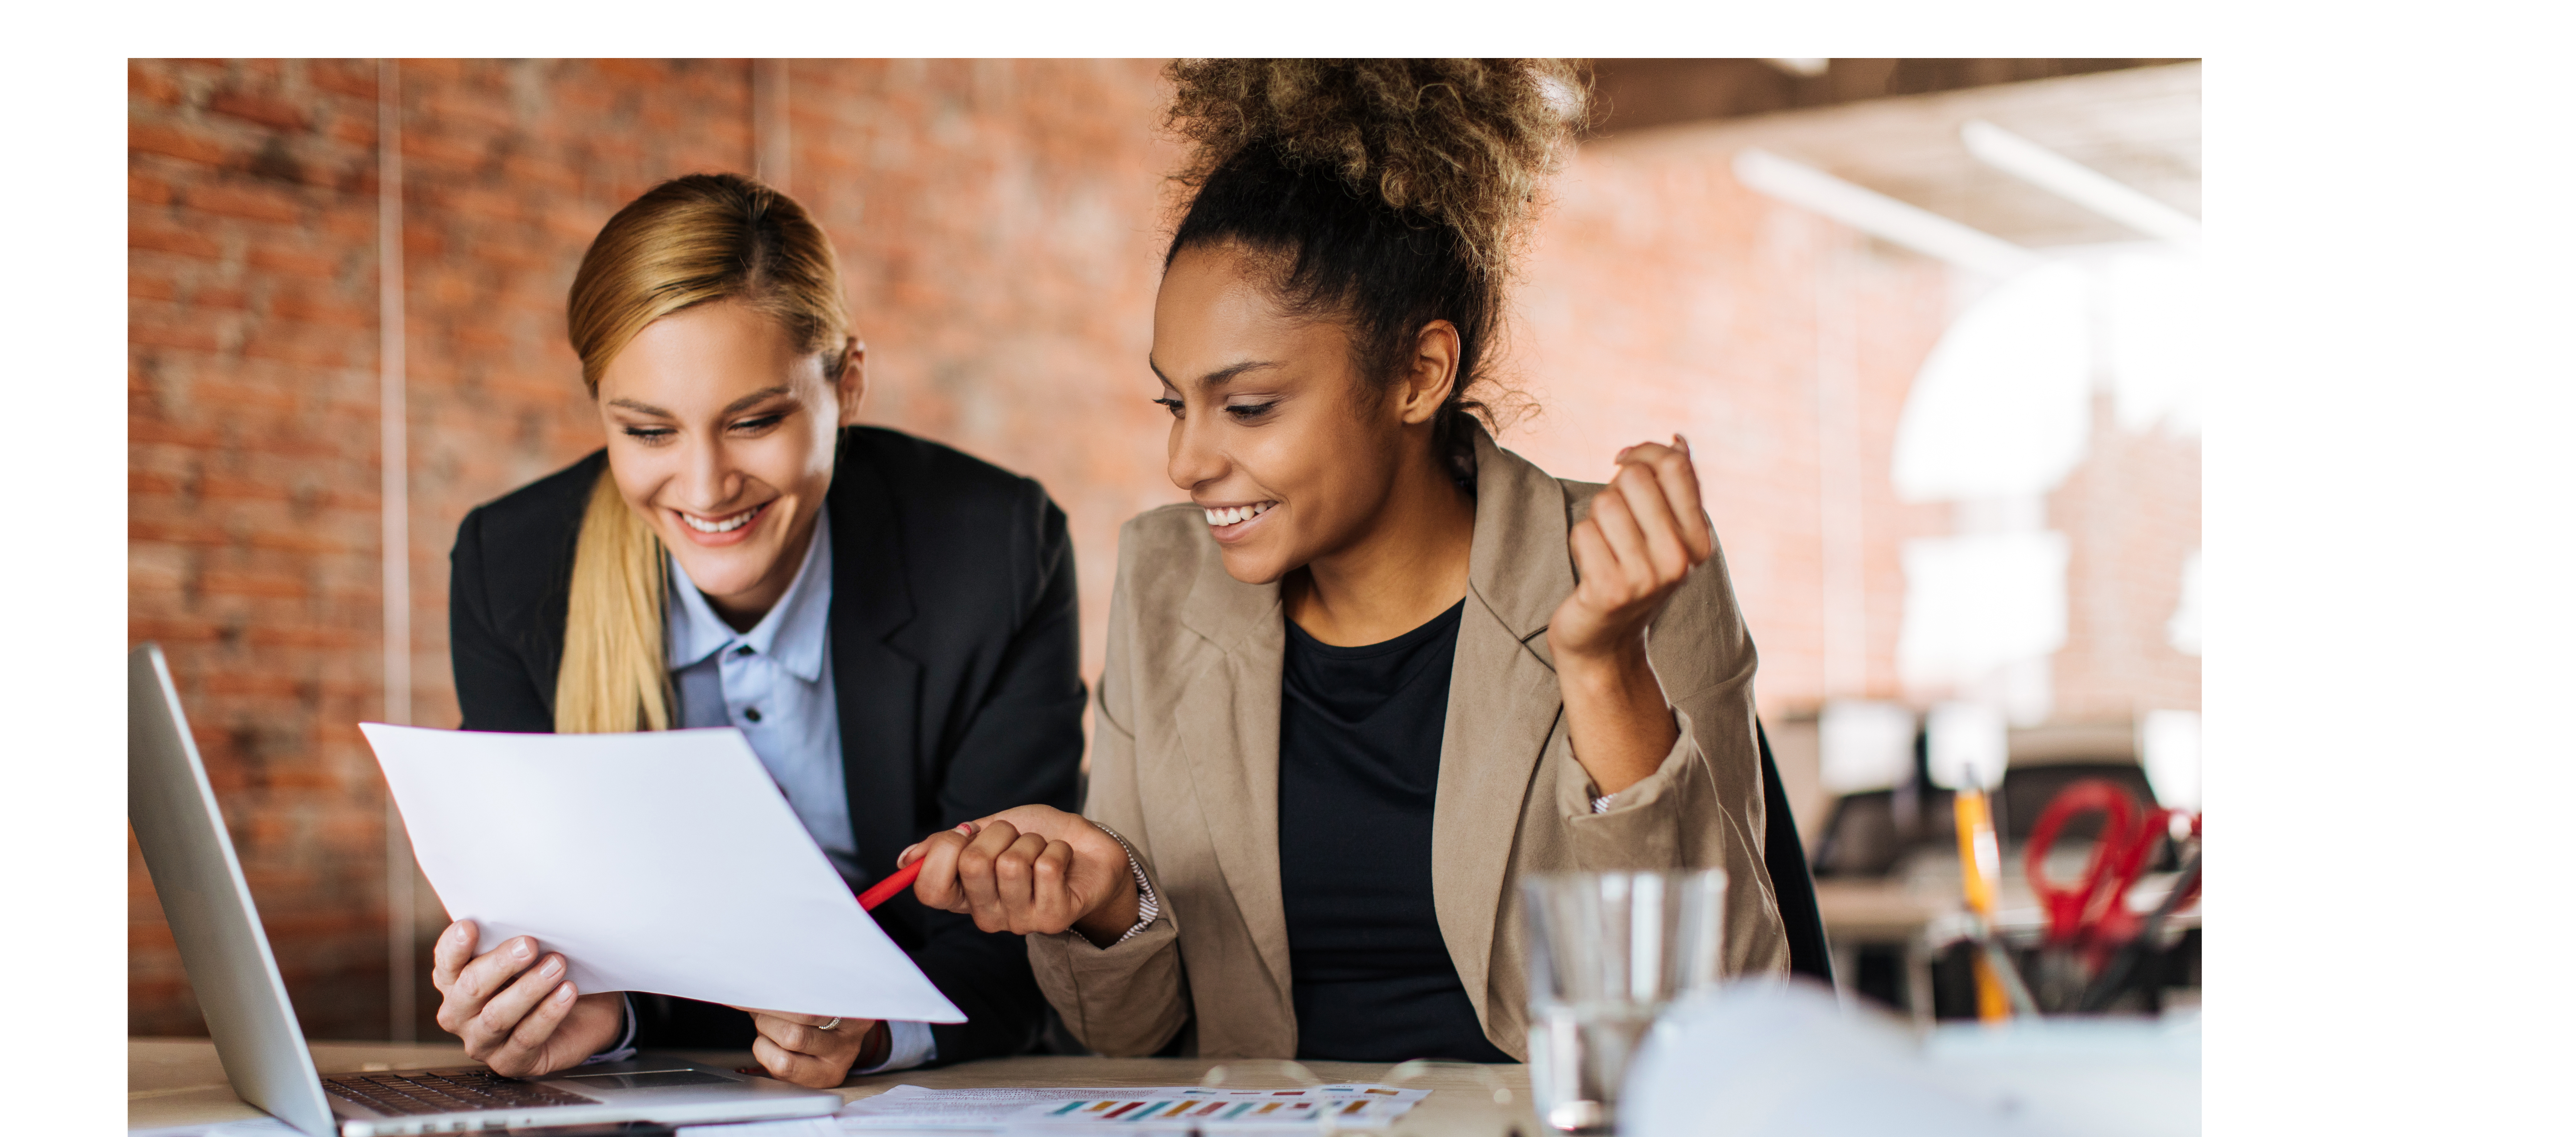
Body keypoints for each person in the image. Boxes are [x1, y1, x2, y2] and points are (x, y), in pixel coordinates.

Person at [903, 59, 1789, 1062]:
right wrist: (1112, 908)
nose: (1187, 462)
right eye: (1174, 404)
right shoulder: (1166, 579)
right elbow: (1123, 1037)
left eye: (1248, 407)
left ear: (1419, 374)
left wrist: (1603, 670)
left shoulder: (1625, 575)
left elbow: (1714, 1012)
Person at [432, 175, 1084, 1085]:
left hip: (929, 1096)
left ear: (847, 385)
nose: (703, 489)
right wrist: (571, 1010)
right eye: (649, 432)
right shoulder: (511, 568)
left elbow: (1021, 939)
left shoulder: (995, 551)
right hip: (668, 1099)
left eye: (755, 421)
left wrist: (876, 1032)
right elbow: (555, 931)